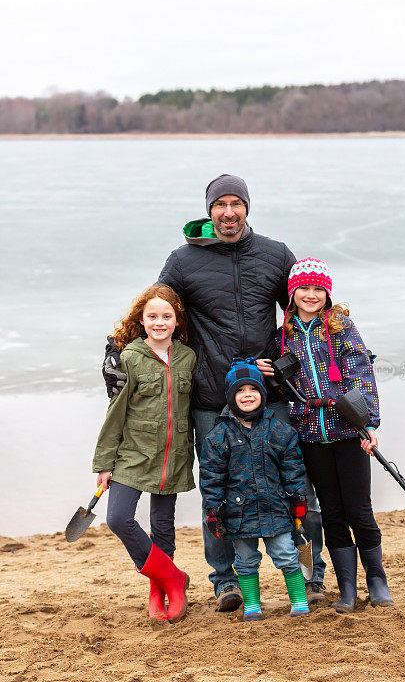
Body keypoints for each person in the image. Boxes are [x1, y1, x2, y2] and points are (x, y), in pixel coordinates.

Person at [102, 175, 326, 612]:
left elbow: (303, 314)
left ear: (247, 208)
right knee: (219, 490)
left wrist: (283, 366)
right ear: (209, 211)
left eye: (236, 204)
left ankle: (311, 574)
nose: (228, 212)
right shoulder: (184, 261)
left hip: (270, 395)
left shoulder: (276, 255)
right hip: (210, 399)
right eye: (220, 204)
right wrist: (116, 354)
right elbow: (157, 307)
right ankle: (225, 581)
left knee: (297, 483)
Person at [268, 257, 394, 612]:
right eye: (303, 289)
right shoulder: (283, 337)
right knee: (331, 512)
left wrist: (368, 424)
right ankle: (348, 588)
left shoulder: (341, 327)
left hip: (347, 431)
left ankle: (377, 580)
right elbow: (283, 388)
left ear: (327, 292)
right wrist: (270, 374)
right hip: (309, 435)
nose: (310, 295)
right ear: (292, 295)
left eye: (317, 289)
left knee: (359, 510)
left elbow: (361, 375)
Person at [93, 283, 196, 622]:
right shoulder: (129, 358)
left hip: (174, 455)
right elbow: (115, 412)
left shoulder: (188, 357)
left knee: (162, 525)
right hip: (132, 455)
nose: (159, 322)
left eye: (166, 316)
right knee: (118, 518)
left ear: (177, 320)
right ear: (141, 318)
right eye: (152, 316)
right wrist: (104, 463)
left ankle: (159, 589)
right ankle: (170, 577)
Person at [200, 357, 310, 620]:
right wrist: (213, 511)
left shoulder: (279, 430)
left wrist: (298, 499)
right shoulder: (219, 435)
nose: (247, 395)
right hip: (239, 512)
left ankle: (298, 600)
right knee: (246, 560)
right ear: (230, 396)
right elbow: (211, 476)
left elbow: (293, 469)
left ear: (262, 392)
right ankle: (252, 605)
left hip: (276, 508)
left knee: (285, 553)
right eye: (240, 390)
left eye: (253, 389)